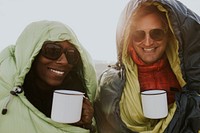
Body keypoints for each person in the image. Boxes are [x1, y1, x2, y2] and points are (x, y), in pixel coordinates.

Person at [94, 0, 200, 133]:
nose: (148, 42)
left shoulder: (189, 77)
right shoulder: (111, 84)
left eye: (156, 33)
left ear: (169, 34)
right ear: (129, 38)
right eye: (139, 35)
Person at [0, 20, 97, 133]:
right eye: (52, 51)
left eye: (71, 55)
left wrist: (86, 126)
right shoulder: (6, 93)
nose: (64, 62)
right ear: (32, 54)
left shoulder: (76, 92)